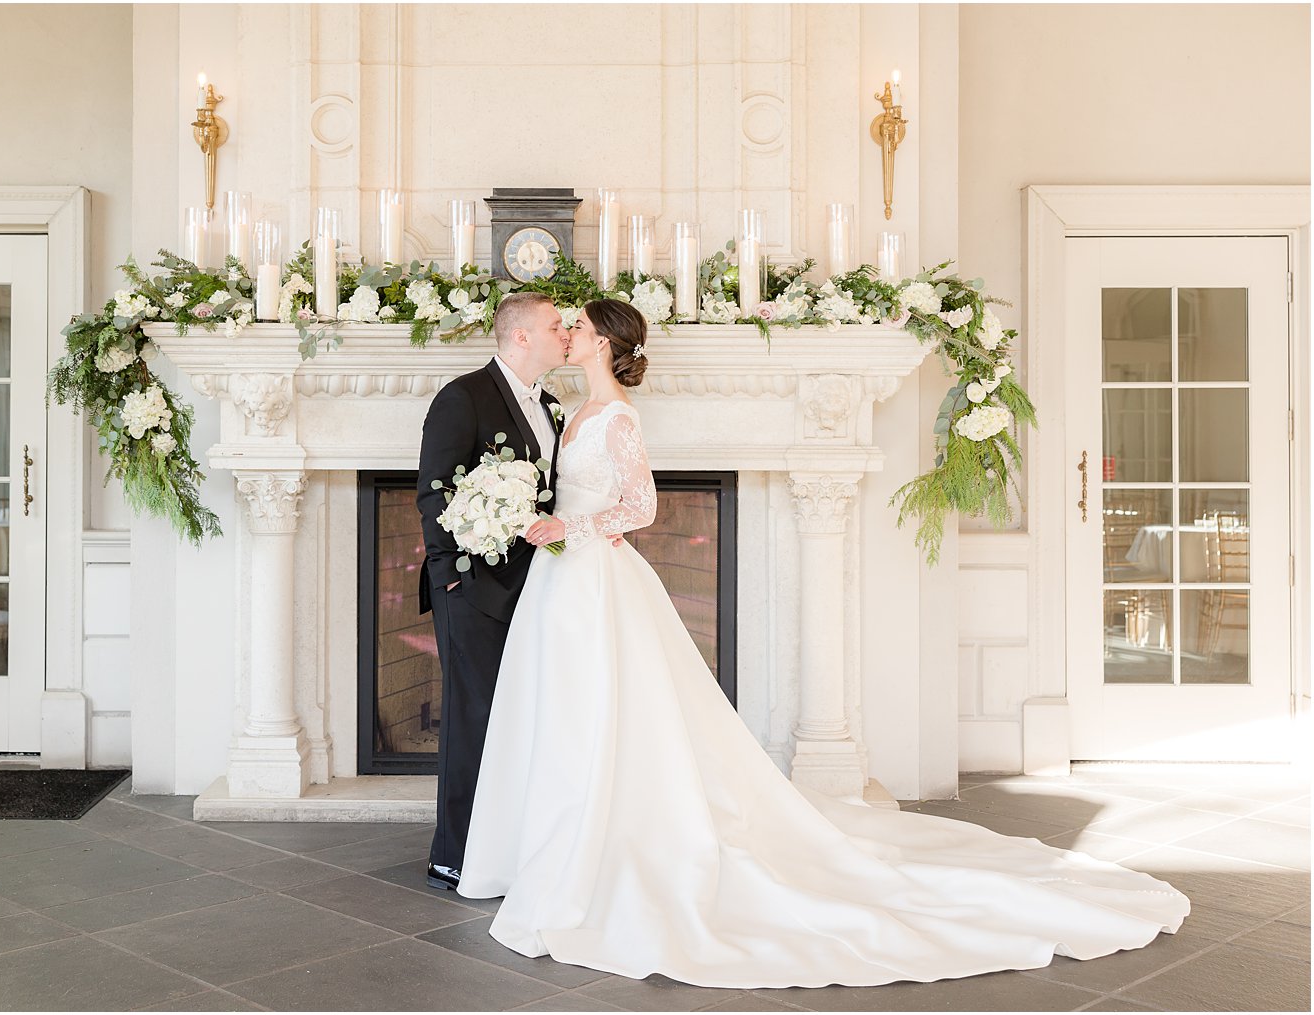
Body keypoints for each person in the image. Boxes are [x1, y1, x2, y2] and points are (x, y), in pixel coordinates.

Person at [454, 298, 1191, 989]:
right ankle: (556, 841)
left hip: (596, 575)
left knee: (607, 709)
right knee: (569, 712)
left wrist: (567, 526)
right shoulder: (571, 411)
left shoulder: (616, 416)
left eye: (577, 326)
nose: (568, 333)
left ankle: (611, 845)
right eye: (563, 326)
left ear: (604, 343)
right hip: (565, 582)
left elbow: (640, 504)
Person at [415, 291, 569, 892]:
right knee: (470, 720)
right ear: (522, 336)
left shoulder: (552, 407)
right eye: (555, 326)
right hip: (471, 587)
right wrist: (448, 575)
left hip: (533, 586)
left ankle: (508, 846)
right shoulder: (463, 396)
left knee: (516, 720)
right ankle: (453, 853)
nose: (565, 334)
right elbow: (434, 491)